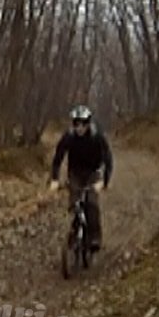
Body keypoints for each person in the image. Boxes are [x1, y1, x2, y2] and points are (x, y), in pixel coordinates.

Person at [48, 105, 112, 251]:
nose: (80, 127)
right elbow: (58, 157)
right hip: (75, 173)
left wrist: (104, 181)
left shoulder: (97, 136)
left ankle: (95, 237)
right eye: (77, 123)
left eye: (83, 123)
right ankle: (74, 234)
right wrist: (54, 179)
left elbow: (108, 159)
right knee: (74, 203)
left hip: (93, 172)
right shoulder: (69, 137)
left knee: (91, 203)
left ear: (88, 123)